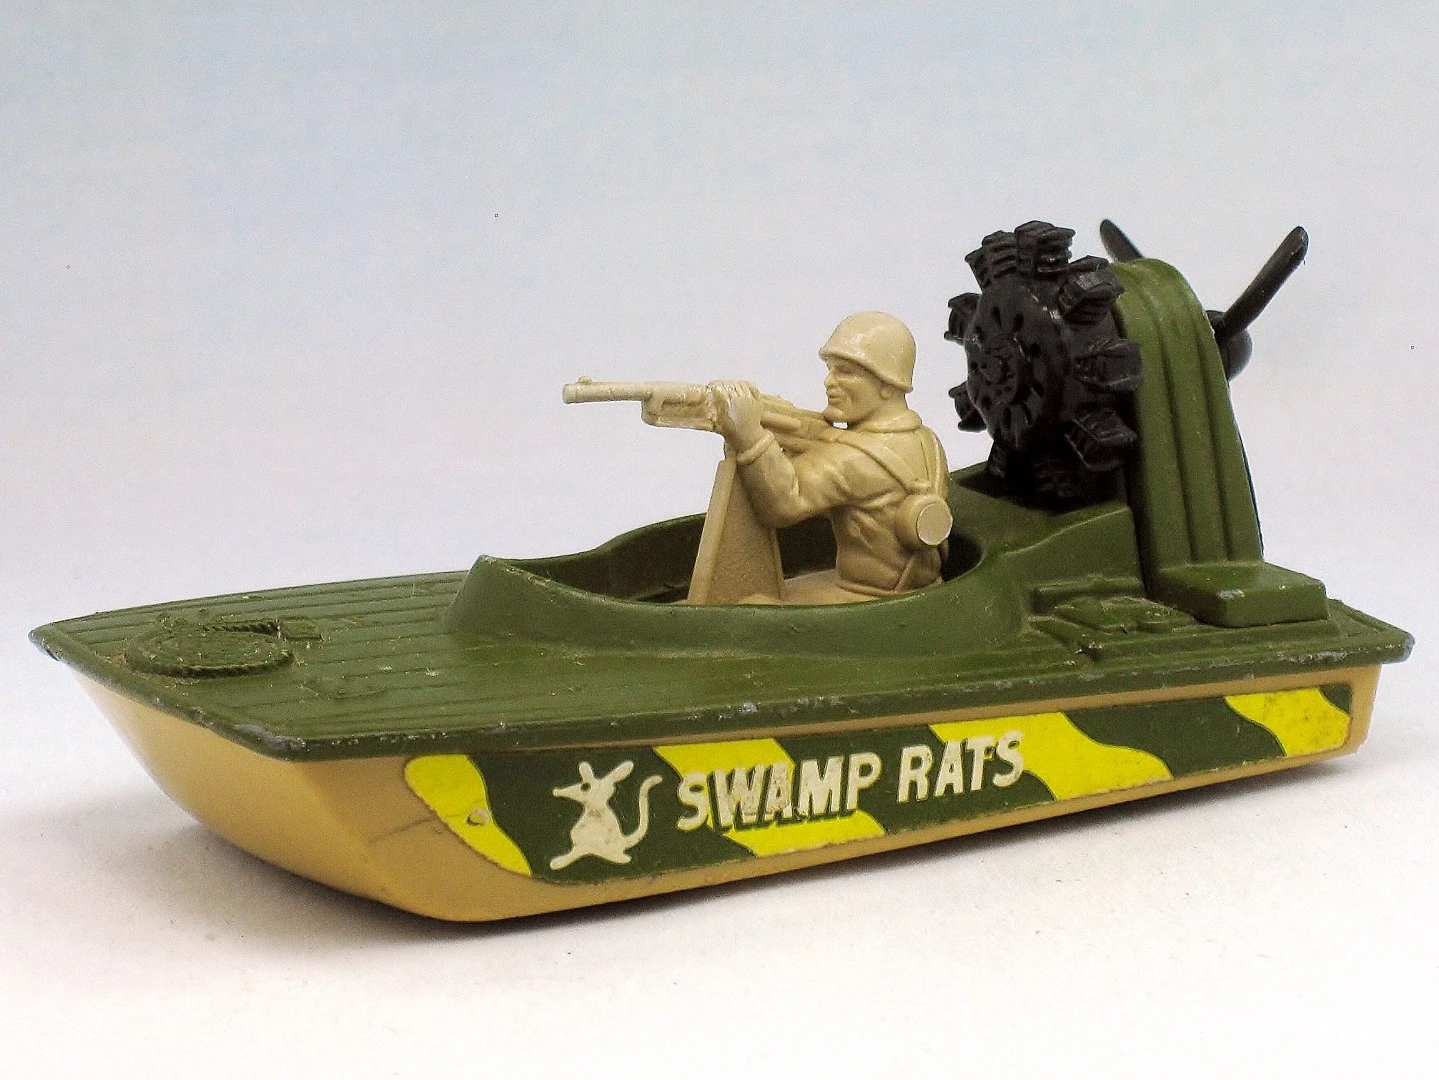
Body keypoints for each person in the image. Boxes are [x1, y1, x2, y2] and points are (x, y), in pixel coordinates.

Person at [710, 311, 950, 604]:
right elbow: (850, 497)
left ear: (887, 384)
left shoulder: (854, 458)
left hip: (868, 597)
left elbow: (784, 504)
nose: (829, 382)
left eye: (845, 372)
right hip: (919, 587)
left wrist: (750, 438)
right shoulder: (928, 440)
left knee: (750, 605)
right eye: (831, 370)